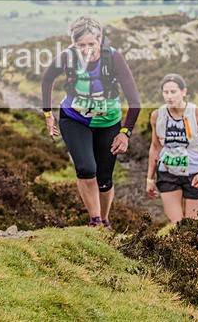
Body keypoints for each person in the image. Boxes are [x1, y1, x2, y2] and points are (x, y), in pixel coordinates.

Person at [42, 16, 141, 229]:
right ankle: (95, 220)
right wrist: (48, 115)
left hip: (108, 122)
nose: (86, 49)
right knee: (87, 168)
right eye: (80, 45)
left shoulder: (114, 58)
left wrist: (125, 132)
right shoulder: (67, 57)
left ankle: (105, 219)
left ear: (100, 40)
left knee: (104, 179)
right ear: (73, 43)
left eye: (91, 44)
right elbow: (47, 78)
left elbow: (135, 102)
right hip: (74, 118)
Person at [146, 74, 198, 225]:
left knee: (192, 223)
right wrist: (150, 179)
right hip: (167, 171)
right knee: (175, 222)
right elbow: (155, 146)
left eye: (173, 92)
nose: (169, 96)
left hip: (194, 172)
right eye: (166, 92)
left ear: (183, 92)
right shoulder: (157, 115)